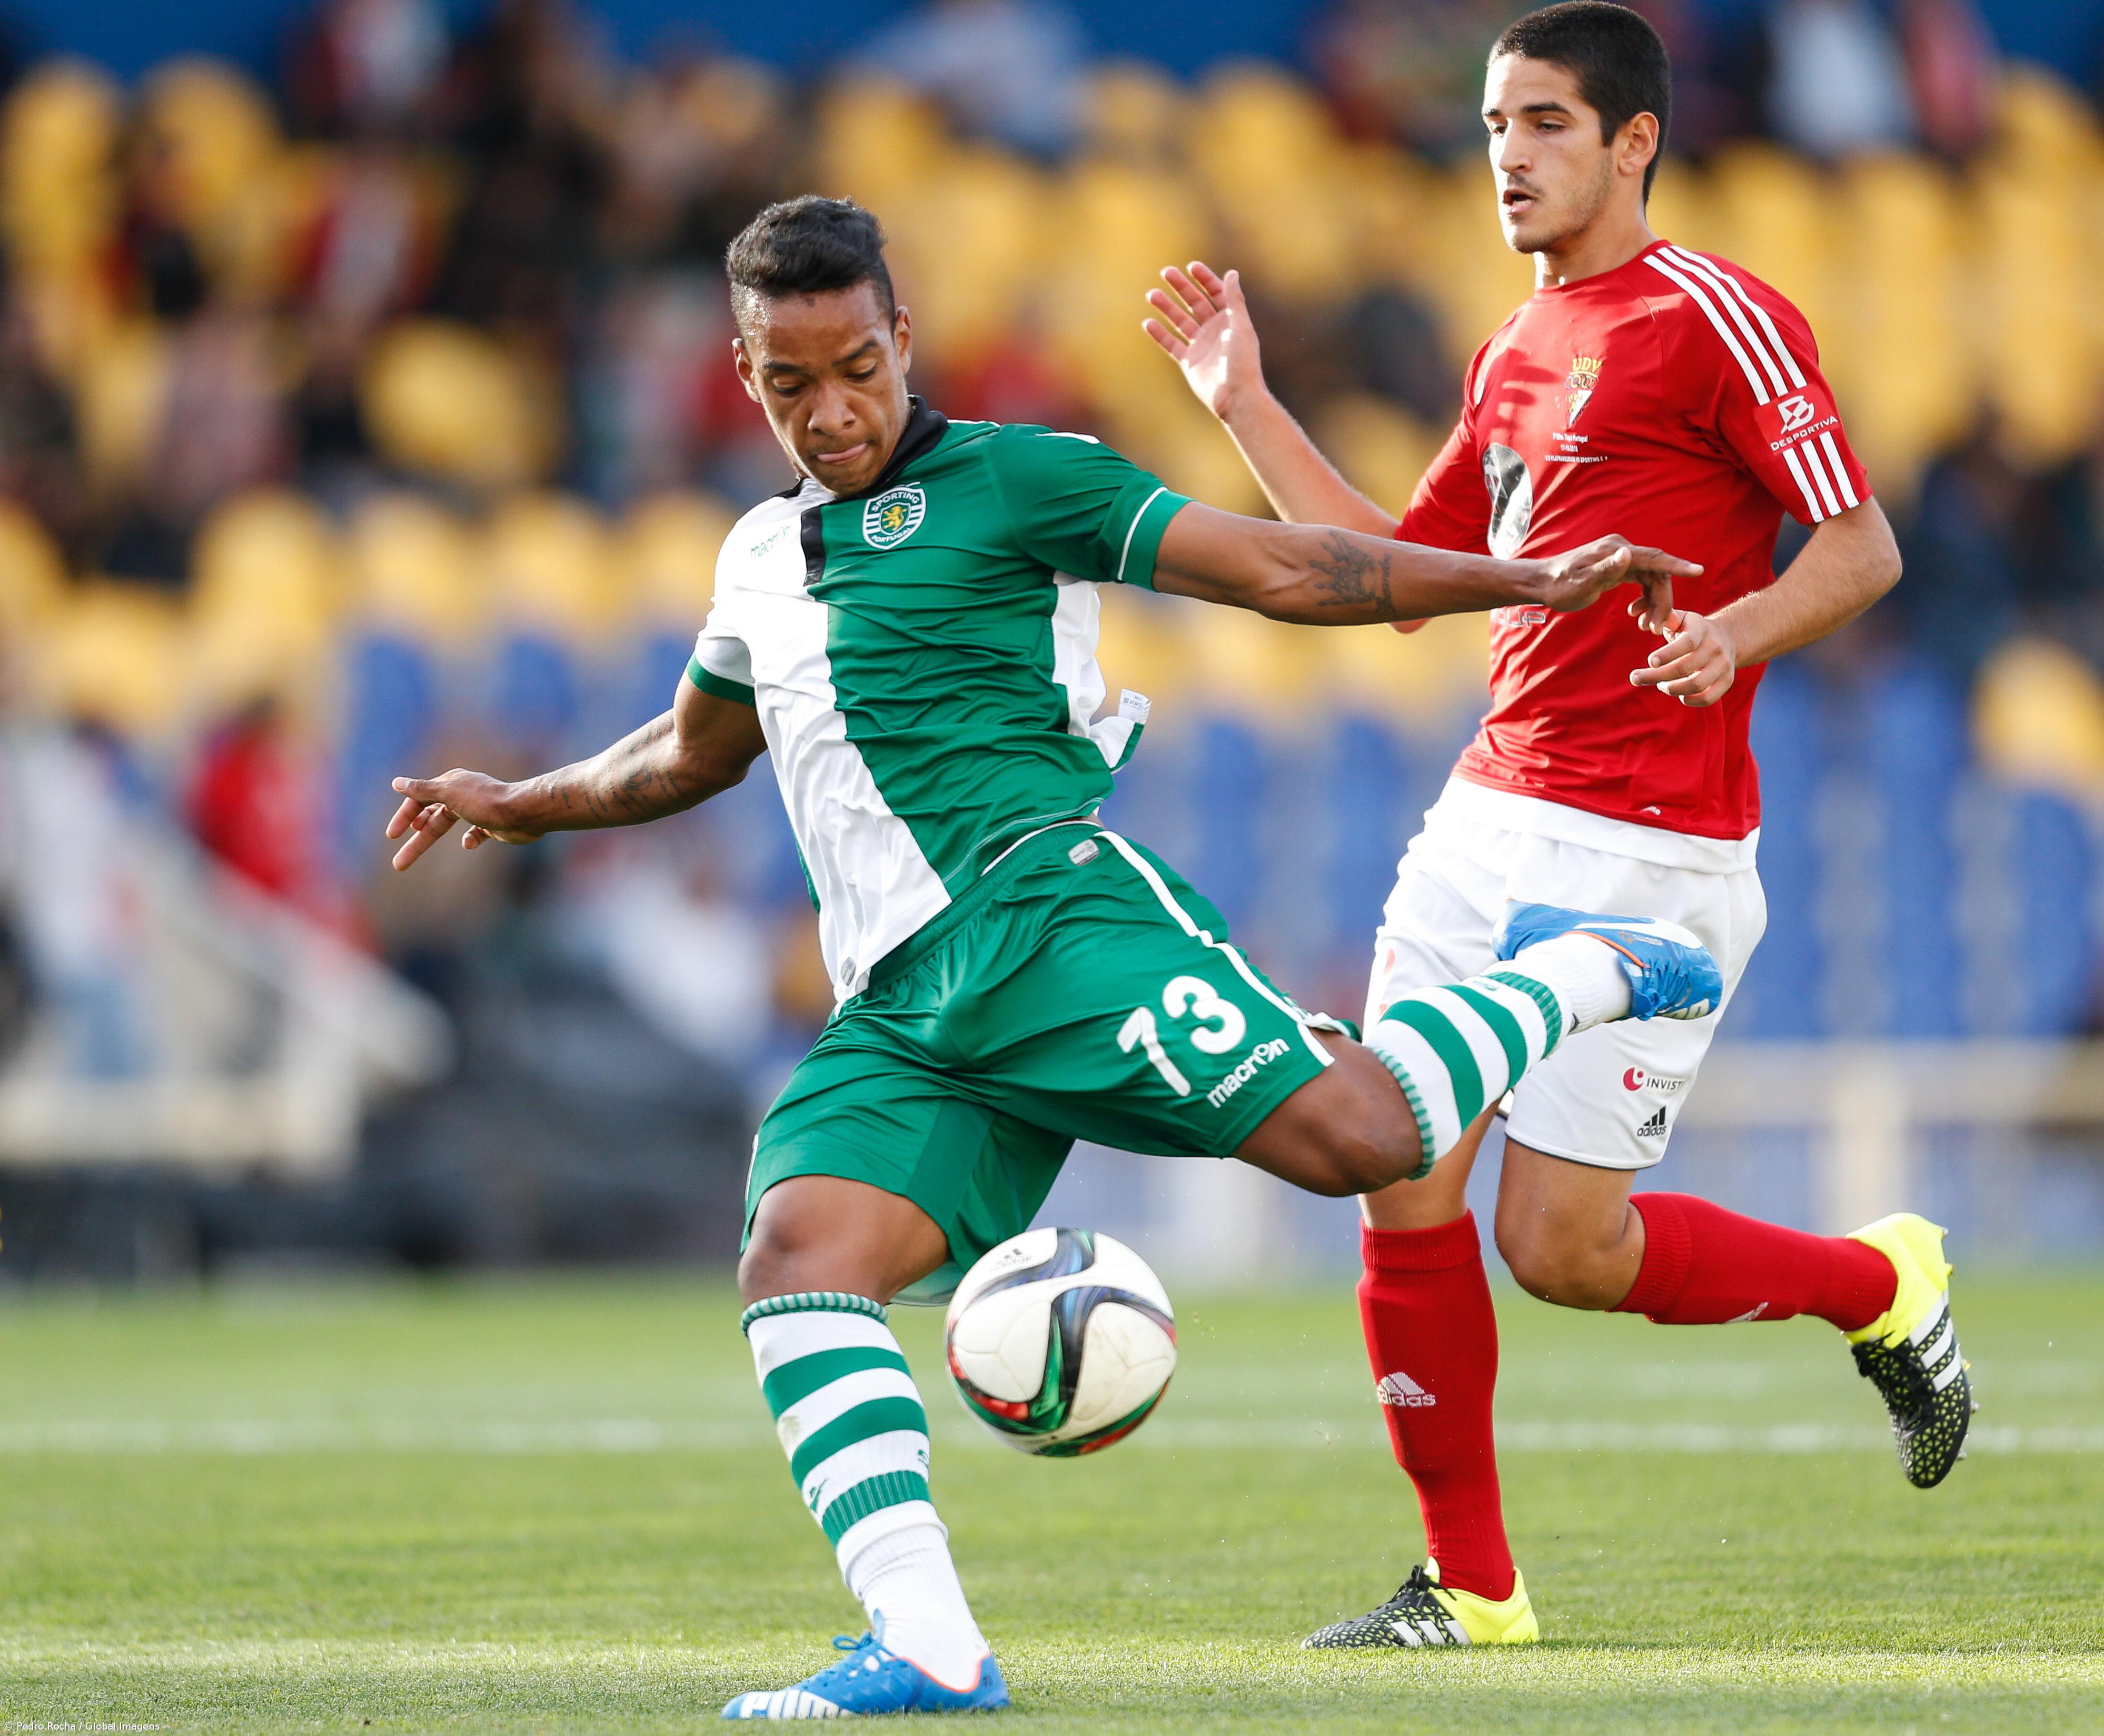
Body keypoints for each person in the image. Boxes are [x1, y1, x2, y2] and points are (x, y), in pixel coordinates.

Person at [385, 195, 1719, 1718]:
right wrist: (525, 802)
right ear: (745, 380)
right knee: (799, 1254)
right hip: (901, 1003)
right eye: (788, 384)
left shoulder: (1020, 478)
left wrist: (1523, 579)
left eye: (856, 369)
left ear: (903, 339)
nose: (831, 413)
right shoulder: (760, 554)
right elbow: (687, 759)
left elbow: (1289, 573)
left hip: (1051, 918)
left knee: (1361, 1141)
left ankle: (1586, 963)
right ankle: (933, 1645)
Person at [1143, 0, 1970, 1654]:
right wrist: (1237, 395)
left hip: (1650, 858)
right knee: (1394, 1162)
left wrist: (1734, 632)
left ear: (1631, 139)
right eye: (1494, 124)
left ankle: (1878, 1285)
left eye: (1541, 123)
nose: (1505, 155)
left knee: (1564, 1250)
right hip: (1482, 823)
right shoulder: (1509, 347)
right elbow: (1391, 577)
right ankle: (1470, 1584)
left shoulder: (1716, 317)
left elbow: (1861, 547)